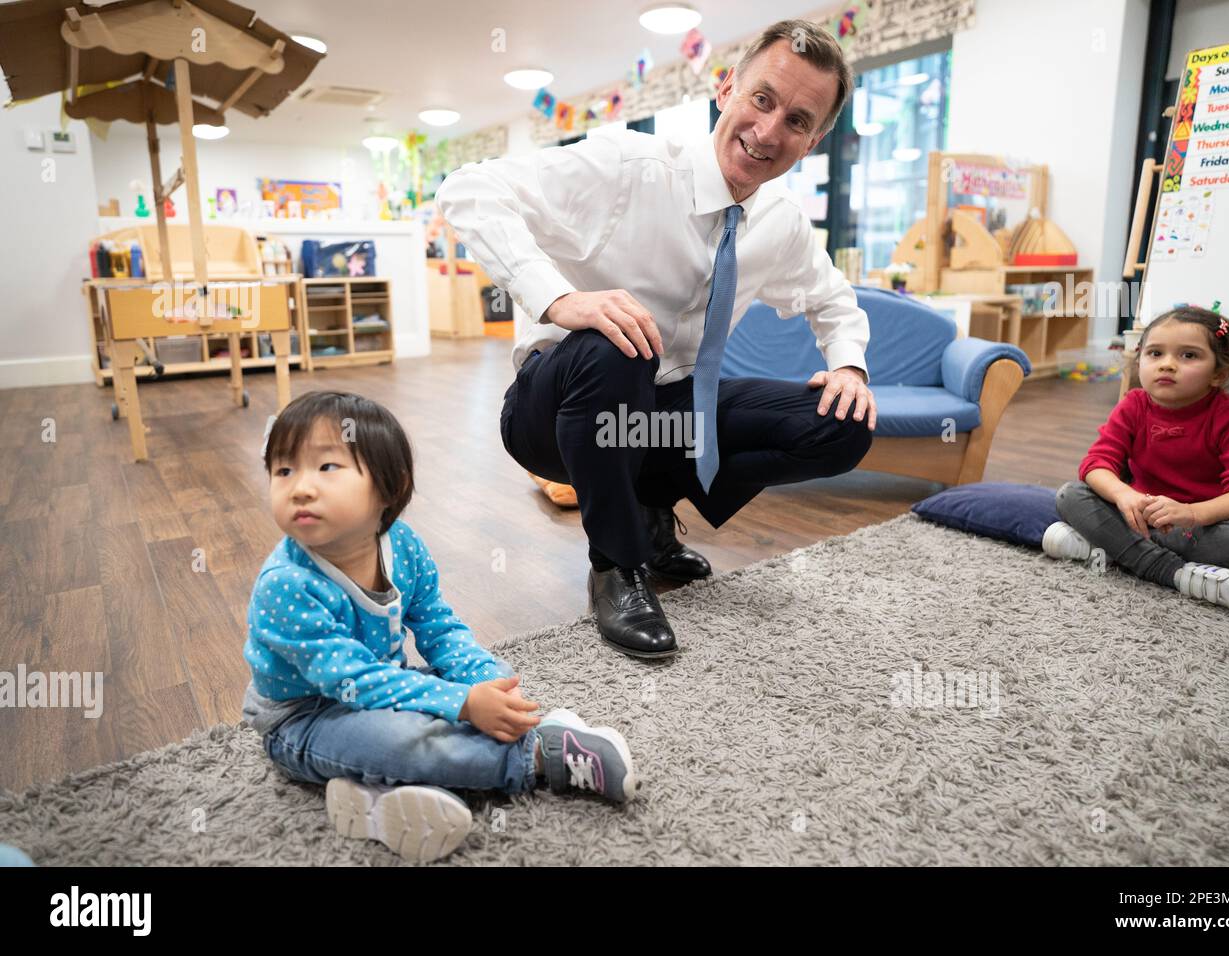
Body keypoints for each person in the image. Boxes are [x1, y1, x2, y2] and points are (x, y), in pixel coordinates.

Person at [436, 19, 876, 659]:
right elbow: (469, 188)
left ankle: (649, 515)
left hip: (658, 420)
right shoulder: (625, 165)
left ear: (813, 141)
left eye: (797, 120)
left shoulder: (780, 222)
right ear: (726, 88)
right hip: (552, 412)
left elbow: (833, 299)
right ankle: (617, 565)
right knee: (621, 338)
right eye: (762, 99)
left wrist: (848, 369)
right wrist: (560, 298)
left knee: (842, 425)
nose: (769, 131)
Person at [241, 390, 638, 862]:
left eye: (326, 468)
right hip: (304, 719)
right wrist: (463, 705)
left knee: (475, 696)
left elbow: (439, 628)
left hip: (383, 684)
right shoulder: (287, 585)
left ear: (389, 488)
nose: (299, 487)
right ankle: (541, 758)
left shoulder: (403, 546)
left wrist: (485, 682)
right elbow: (354, 681)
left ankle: (375, 802)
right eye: (283, 471)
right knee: (402, 738)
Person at [1045, 307, 1229, 614]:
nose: (1167, 365)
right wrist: (1124, 494)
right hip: (1138, 519)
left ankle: (1110, 548)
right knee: (1070, 495)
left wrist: (1192, 513)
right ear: (1139, 360)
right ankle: (1175, 574)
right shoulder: (1133, 404)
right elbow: (1096, 464)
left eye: (1188, 356)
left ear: (1219, 373)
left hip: (1197, 529)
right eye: (1155, 353)